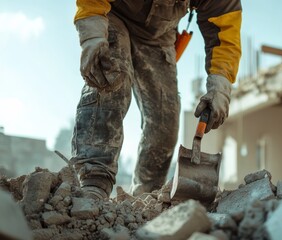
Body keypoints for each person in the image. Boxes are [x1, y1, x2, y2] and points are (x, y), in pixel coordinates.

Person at [71, 0, 242, 200]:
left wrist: (220, 87)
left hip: (158, 37)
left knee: (165, 119)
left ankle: (148, 196)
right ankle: (93, 183)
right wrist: (92, 33)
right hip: (113, 15)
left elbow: (225, 28)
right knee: (109, 79)